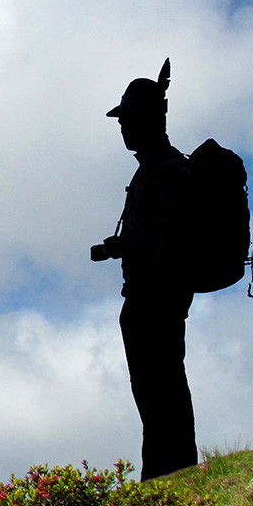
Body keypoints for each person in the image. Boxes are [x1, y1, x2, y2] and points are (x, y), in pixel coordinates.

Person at [91, 59, 198, 480]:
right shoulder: (146, 174)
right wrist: (121, 246)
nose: (124, 128)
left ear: (153, 118)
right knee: (151, 392)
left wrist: (154, 288)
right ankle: (161, 471)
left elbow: (172, 238)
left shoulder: (171, 171)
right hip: (141, 299)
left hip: (158, 300)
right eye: (122, 121)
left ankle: (174, 471)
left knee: (164, 388)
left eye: (130, 119)